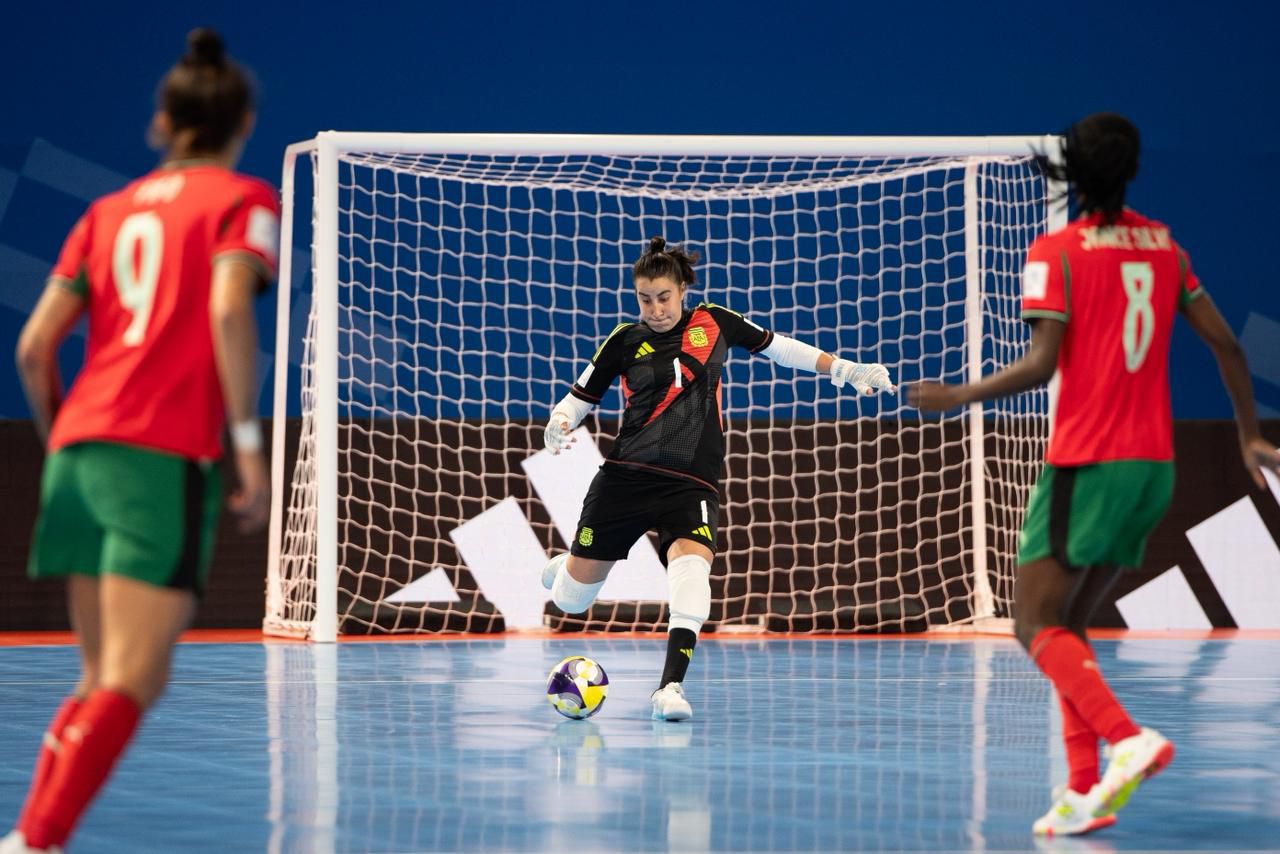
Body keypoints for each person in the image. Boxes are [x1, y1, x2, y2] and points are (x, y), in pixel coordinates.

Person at [907, 113, 1280, 837]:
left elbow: (1044, 364)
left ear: (1071, 171)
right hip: (1154, 469)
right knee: (1069, 627)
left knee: (1030, 622)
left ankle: (1128, 738)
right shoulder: (1165, 246)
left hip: (1088, 461)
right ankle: (1083, 790)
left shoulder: (1058, 250)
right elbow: (1229, 347)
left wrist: (958, 395)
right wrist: (1249, 437)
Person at [3, 29, 278, 854]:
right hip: (158, 456)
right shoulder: (242, 201)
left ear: (163, 121)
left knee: (99, 677)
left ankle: (28, 837)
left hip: (78, 447)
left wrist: (67, 443)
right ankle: (37, 841)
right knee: (134, 676)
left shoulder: (103, 213)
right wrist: (248, 447)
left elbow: (32, 347)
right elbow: (230, 308)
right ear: (243, 121)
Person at [540, 236, 895, 721]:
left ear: (683, 288)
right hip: (625, 479)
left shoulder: (714, 322)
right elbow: (580, 397)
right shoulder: (624, 340)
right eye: (645, 298)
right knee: (572, 601)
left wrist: (846, 370)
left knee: (692, 573)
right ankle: (564, 570)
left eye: (664, 296)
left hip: (691, 483)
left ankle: (669, 688)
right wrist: (560, 422)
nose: (656, 308)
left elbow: (782, 349)